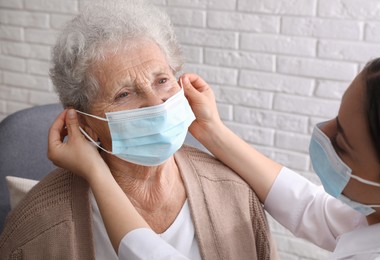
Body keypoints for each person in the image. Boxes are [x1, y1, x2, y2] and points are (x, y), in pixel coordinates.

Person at [0, 1, 277, 259]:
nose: (155, 104)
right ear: (85, 123)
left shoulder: (235, 195)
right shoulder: (38, 225)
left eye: (162, 80)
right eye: (124, 94)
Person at [49, 54, 380, 259]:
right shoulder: (45, 222)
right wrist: (213, 131)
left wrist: (98, 174)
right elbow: (312, 209)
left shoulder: (233, 198)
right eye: (124, 93)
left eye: (342, 143)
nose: (323, 132)